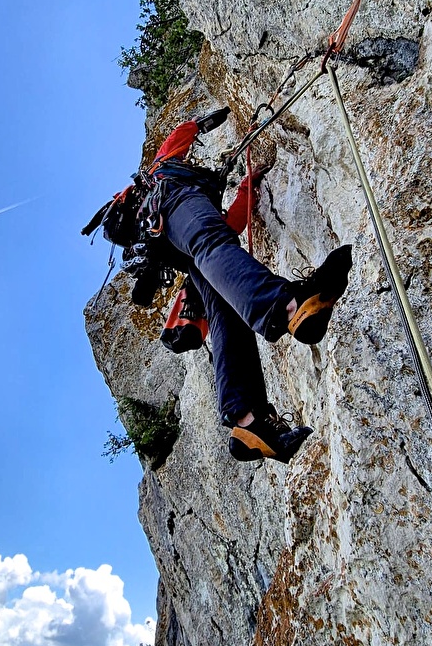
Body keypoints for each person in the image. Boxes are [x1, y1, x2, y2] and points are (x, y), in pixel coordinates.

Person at [84, 107, 352, 466]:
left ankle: (248, 423)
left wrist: (246, 187)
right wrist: (199, 123)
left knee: (226, 311)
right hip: (174, 209)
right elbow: (176, 141)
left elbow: (228, 229)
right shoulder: (165, 176)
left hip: (181, 248)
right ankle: (290, 305)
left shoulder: (181, 208)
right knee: (213, 248)